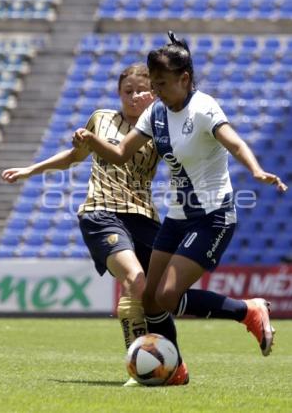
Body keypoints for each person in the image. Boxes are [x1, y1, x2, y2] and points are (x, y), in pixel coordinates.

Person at [72, 32, 288, 385]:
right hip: (177, 217)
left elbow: (234, 141)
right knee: (152, 301)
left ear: (184, 79)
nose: (155, 91)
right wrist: (91, 139)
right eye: (152, 84)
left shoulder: (203, 107)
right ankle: (174, 371)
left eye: (161, 84)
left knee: (169, 296)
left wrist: (255, 169)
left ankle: (248, 310)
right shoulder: (156, 112)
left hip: (213, 217)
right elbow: (120, 154)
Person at [1, 63, 162, 387]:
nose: (132, 97)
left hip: (144, 216)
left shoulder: (161, 127)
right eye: (127, 91)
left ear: (154, 94)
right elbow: (74, 156)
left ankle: (165, 363)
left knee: (157, 295)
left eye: (140, 91)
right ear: (119, 92)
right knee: (134, 277)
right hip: (101, 211)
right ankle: (138, 366)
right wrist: (31, 170)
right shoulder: (101, 119)